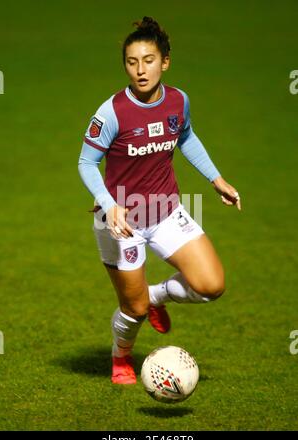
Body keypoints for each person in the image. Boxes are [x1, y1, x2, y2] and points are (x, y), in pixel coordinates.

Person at [78, 17, 241, 385]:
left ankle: (157, 296)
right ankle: (121, 357)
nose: (140, 69)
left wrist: (216, 179)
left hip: (166, 212)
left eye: (149, 60)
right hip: (120, 222)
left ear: (165, 61)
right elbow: (86, 162)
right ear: (125, 65)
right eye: (132, 62)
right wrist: (108, 202)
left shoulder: (179, 101)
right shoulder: (112, 113)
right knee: (132, 309)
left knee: (211, 285)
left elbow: (186, 137)